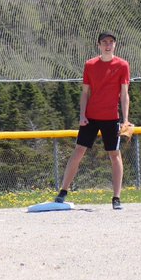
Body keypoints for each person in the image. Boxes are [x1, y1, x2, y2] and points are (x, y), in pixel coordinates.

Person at [54, 32, 130, 210]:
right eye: (104, 42)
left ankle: (116, 197)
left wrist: (125, 119)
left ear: (115, 45)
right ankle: (63, 191)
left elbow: (125, 94)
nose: (108, 45)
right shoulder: (90, 65)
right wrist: (82, 115)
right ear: (99, 45)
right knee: (79, 150)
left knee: (114, 154)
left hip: (111, 117)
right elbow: (85, 93)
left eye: (111, 42)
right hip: (91, 116)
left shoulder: (122, 65)